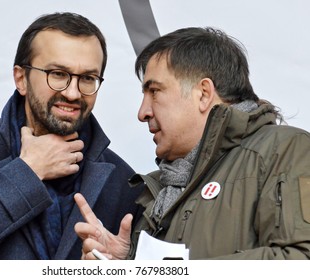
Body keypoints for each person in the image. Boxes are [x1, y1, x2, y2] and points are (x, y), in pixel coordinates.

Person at [0, 12, 143, 260]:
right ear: (21, 78)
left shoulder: (125, 182)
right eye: (58, 74)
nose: (72, 93)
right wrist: (27, 170)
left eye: (88, 78)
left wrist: (122, 270)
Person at [74, 27, 310, 260]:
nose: (142, 112)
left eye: (154, 91)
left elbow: (301, 260)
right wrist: (124, 265)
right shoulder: (159, 186)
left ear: (204, 94)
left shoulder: (287, 150)